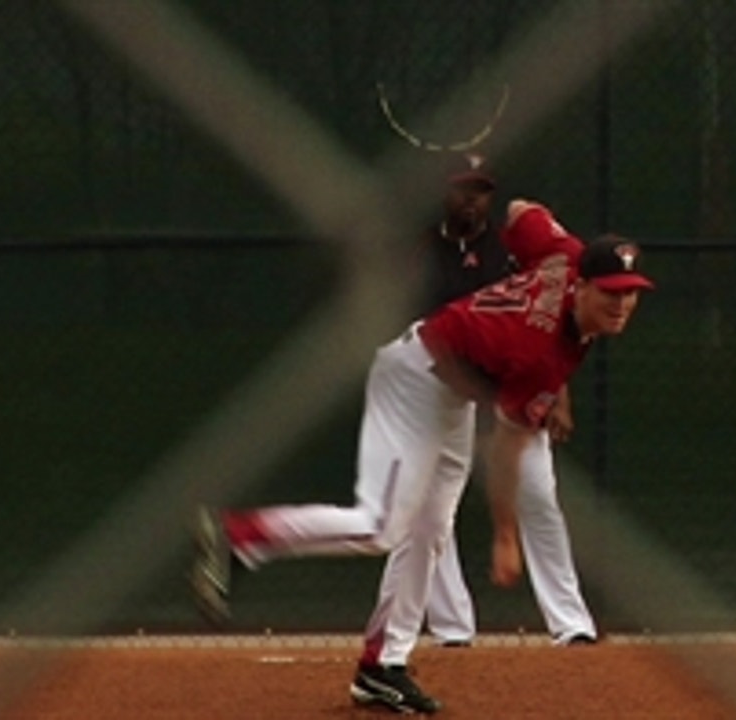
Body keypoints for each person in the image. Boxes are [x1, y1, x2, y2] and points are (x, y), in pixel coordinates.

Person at [190, 198, 652, 714]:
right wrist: (504, 536)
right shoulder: (539, 353)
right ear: (584, 285)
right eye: (610, 292)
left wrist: (540, 266)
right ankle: (242, 536)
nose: (621, 304)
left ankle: (382, 665)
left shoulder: (565, 255)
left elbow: (522, 211)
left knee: (430, 530)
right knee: (381, 526)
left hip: (454, 390)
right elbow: (507, 448)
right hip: (413, 378)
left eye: (631, 293)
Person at [391, 153, 599, 650]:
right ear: (443, 192)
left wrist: (559, 395)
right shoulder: (419, 252)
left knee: (539, 497)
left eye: (481, 188)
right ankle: (452, 629)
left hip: (512, 390)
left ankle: (571, 626)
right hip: (442, 390)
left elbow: (551, 321)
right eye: (462, 186)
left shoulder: (510, 251)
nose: (471, 197)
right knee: (432, 511)